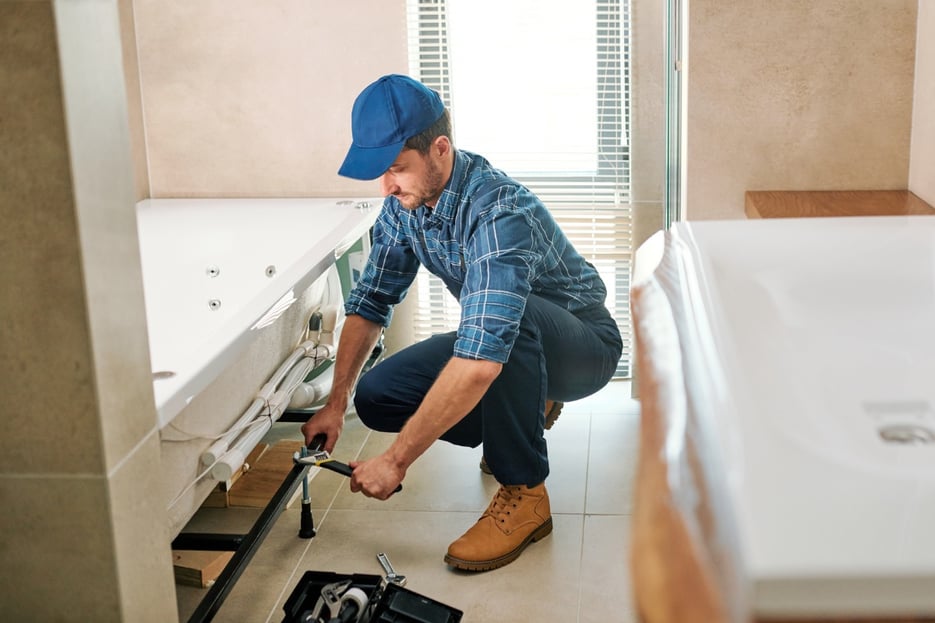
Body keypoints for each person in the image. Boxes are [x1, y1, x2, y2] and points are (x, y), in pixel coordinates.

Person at [301, 74, 622, 571]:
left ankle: (525, 492)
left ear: (441, 149)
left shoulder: (499, 210)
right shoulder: (403, 205)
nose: (387, 185)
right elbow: (370, 302)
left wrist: (396, 461)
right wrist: (335, 402)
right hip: (509, 338)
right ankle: (522, 411)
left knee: (500, 335)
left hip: (583, 345)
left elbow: (481, 355)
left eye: (396, 169)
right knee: (377, 395)